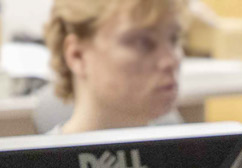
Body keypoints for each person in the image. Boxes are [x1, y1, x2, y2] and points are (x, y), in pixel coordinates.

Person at [44, 0, 188, 133]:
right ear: (77, 55)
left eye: (173, 39)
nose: (171, 60)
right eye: (142, 42)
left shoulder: (186, 155)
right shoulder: (42, 160)